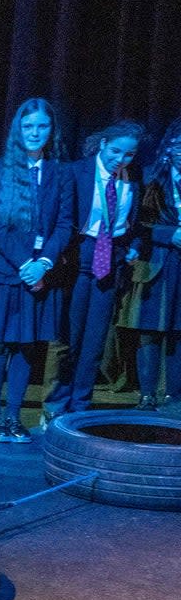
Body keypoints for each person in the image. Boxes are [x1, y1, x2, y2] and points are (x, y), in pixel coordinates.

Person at [0, 98, 73, 443]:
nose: (34, 133)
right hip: (6, 270)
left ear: (51, 130)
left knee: (26, 346)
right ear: (18, 129)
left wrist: (44, 262)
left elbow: (65, 224)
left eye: (42, 126)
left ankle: (14, 417)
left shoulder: (61, 172)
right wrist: (25, 265)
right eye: (28, 126)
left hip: (41, 272)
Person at [41, 120, 145, 422]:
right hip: (77, 259)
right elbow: (62, 220)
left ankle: (81, 405)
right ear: (102, 145)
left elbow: (134, 225)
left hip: (110, 262)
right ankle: (55, 406)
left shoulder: (132, 178)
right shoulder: (76, 172)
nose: (120, 160)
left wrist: (133, 246)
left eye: (128, 155)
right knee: (68, 340)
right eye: (115, 151)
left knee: (94, 341)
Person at [117, 117, 181, 411]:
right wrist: (172, 234)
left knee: (178, 332)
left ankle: (174, 394)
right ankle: (147, 394)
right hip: (156, 261)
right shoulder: (152, 177)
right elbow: (137, 224)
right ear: (171, 147)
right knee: (150, 330)